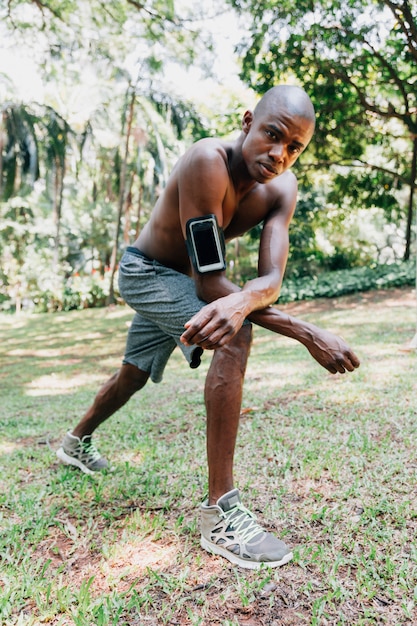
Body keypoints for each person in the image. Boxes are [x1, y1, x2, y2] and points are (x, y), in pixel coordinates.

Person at [57, 85, 360, 569]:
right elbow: (210, 282)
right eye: (272, 135)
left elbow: (270, 280)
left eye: (294, 147)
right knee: (235, 333)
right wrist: (306, 332)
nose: (279, 154)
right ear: (247, 122)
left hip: (182, 280)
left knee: (133, 375)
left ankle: (75, 443)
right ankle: (221, 514)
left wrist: (251, 298)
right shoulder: (206, 162)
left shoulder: (282, 189)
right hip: (146, 273)